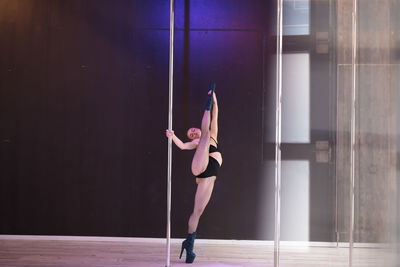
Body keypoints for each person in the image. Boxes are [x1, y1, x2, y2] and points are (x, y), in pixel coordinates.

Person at [165, 83, 222, 263]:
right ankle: (206, 104)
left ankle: (189, 245)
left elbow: (216, 115)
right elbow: (182, 145)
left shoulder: (213, 135)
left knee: (197, 212)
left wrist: (214, 99)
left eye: (193, 131)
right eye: (191, 134)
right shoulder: (198, 141)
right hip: (199, 166)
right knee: (205, 137)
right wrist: (172, 136)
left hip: (209, 177)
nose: (192, 133)